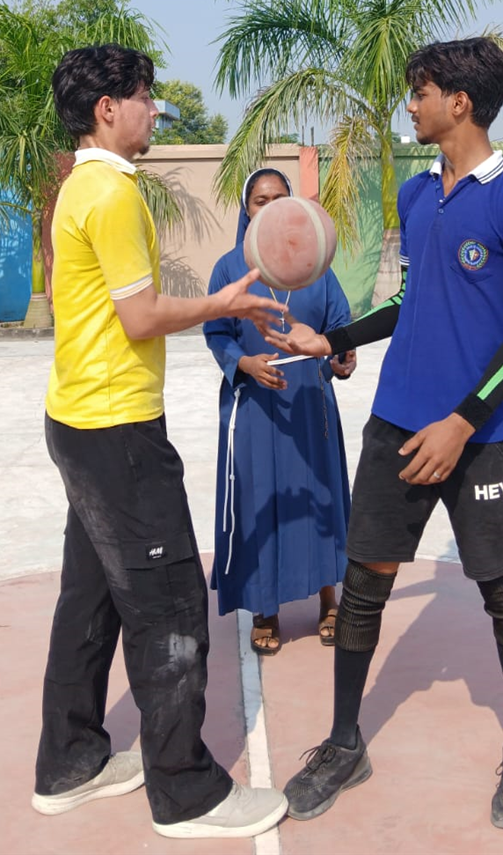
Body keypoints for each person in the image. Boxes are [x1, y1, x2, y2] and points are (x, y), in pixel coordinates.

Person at [273, 37, 503, 833]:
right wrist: (333, 339)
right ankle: (344, 741)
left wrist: (463, 421)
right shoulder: (414, 191)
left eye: (421, 92)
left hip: (480, 435)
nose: (410, 104)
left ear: (459, 102)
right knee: (364, 582)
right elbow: (410, 301)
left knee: (502, 588)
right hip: (396, 423)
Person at [32, 44, 288, 842]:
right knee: (171, 603)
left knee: (91, 595)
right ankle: (186, 791)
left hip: (79, 420)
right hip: (117, 432)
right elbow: (140, 316)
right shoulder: (108, 192)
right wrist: (225, 304)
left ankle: (69, 761)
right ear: (107, 107)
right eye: (146, 98)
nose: (154, 112)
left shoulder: (83, 186)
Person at [203, 168, 356, 655]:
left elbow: (340, 325)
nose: (269, 208)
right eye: (259, 201)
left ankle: (329, 599)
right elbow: (216, 333)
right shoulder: (229, 268)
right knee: (260, 501)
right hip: (254, 405)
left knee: (321, 498)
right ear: (246, 211)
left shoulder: (316, 264)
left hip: (310, 401)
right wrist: (244, 363)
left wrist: (342, 357)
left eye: (279, 199)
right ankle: (264, 607)